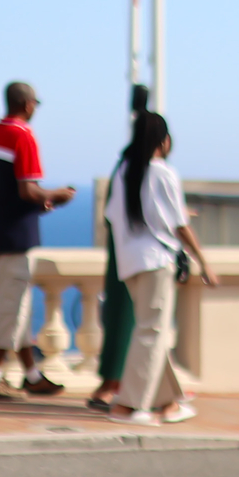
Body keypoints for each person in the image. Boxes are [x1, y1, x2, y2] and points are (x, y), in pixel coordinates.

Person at [106, 111, 217, 425]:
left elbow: (115, 217)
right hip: (156, 262)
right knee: (152, 331)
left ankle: (169, 401)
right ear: (164, 140)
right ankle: (130, 406)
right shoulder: (163, 173)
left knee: (149, 330)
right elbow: (179, 224)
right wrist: (204, 262)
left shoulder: (123, 171)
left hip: (130, 262)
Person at [0, 82, 77, 401]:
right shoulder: (23, 136)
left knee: (18, 306)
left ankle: (32, 375)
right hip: (17, 236)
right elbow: (28, 191)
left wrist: (37, 202)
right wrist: (56, 196)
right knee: (12, 308)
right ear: (28, 105)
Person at [88, 90, 147, 414]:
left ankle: (117, 383)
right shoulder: (136, 169)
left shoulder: (124, 168)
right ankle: (114, 384)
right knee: (131, 321)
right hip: (134, 259)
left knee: (132, 322)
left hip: (125, 256)